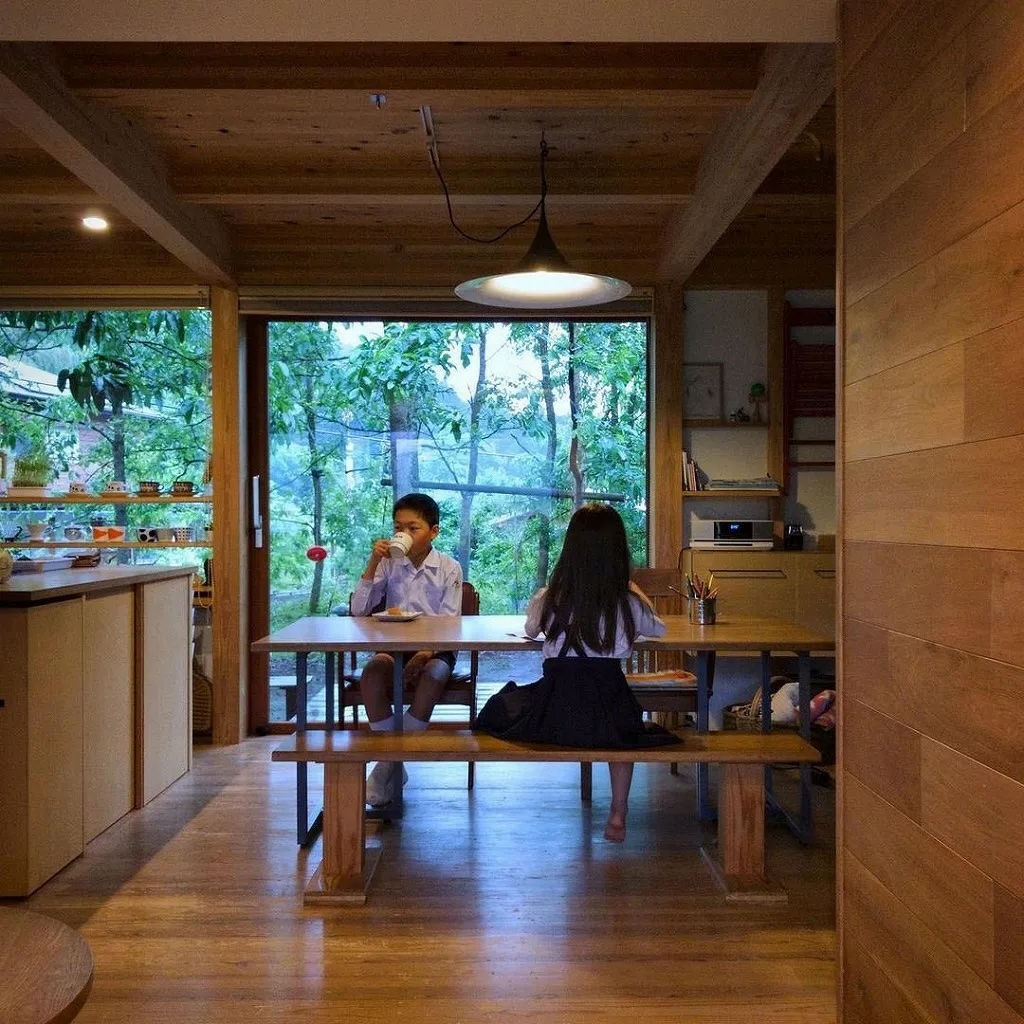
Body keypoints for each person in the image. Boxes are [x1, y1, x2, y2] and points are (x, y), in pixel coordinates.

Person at [476, 503, 679, 843]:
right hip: (609, 715)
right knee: (624, 734)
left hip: (555, 714)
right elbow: (658, 629)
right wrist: (634, 588)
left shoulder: (550, 598)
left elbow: (530, 629)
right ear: (618, 553)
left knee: (504, 702)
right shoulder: (627, 604)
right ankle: (618, 811)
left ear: (570, 551)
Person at [350, 492, 463, 806]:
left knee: (434, 674)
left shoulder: (449, 567)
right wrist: (374, 561)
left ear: (433, 531)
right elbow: (360, 611)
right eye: (399, 527)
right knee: (372, 673)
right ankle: (394, 761)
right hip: (393, 644)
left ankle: (388, 763)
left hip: (437, 647)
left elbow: (450, 622)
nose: (405, 535)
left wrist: (424, 654)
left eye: (413, 528)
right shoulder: (388, 564)